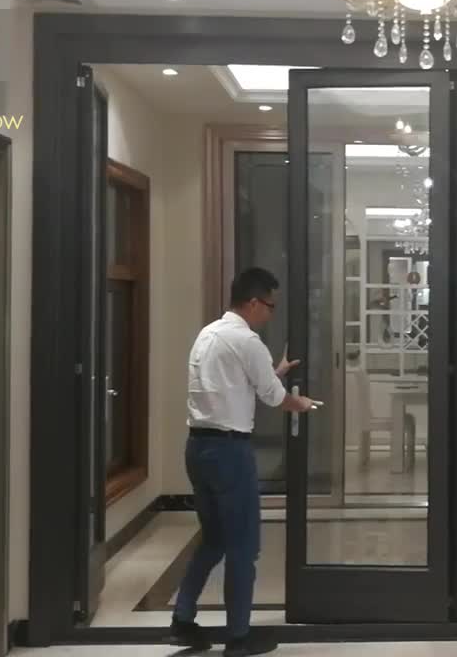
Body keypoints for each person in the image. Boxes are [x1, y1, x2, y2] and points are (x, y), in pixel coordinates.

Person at [170, 267, 317, 655]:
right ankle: (238, 636)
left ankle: (182, 619)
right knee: (242, 547)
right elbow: (275, 398)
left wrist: (276, 371)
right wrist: (300, 403)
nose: (270, 313)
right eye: (270, 306)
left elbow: (234, 384)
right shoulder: (247, 341)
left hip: (198, 448)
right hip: (229, 453)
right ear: (253, 302)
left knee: (214, 540)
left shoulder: (208, 335)